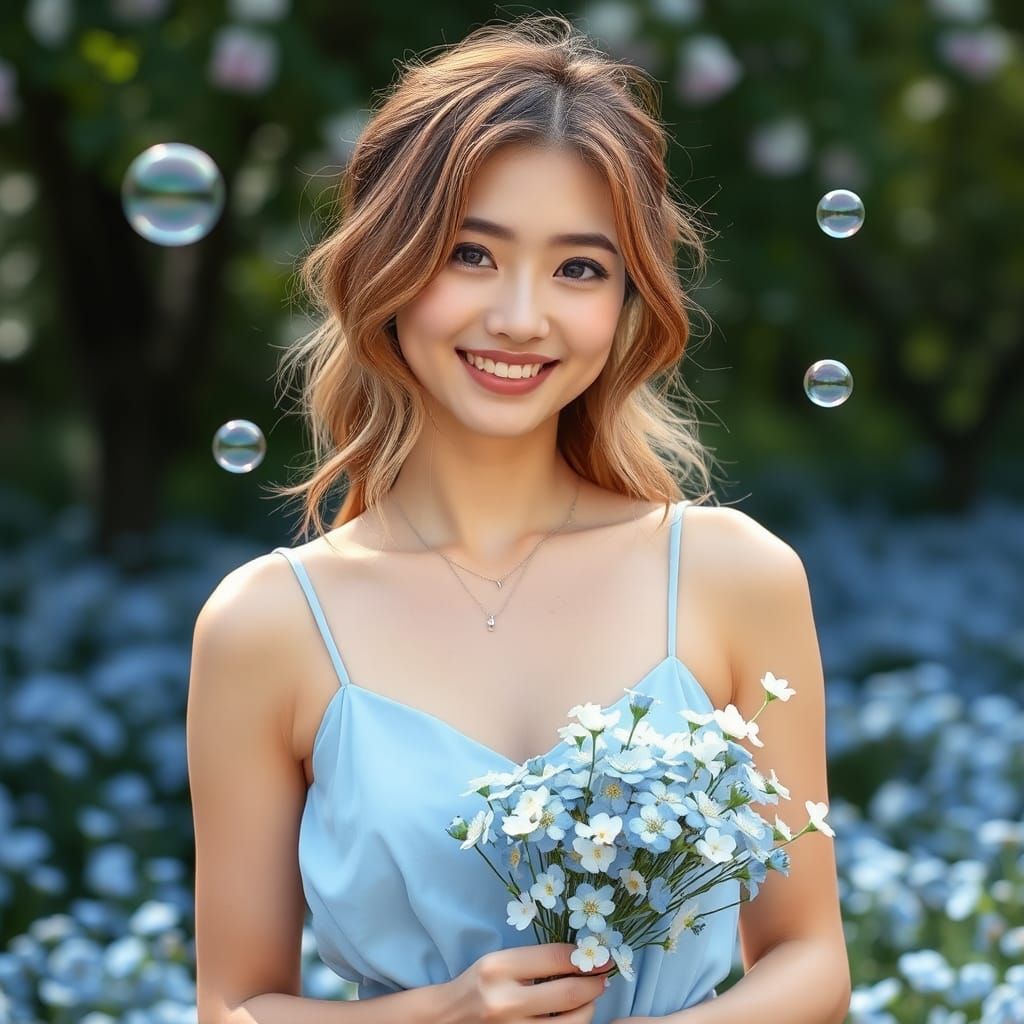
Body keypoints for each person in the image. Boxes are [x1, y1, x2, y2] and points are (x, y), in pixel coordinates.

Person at [186, 13, 850, 1024]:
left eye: (579, 268)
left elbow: (811, 959)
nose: (521, 317)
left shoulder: (730, 574)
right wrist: (442, 1014)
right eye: (471, 254)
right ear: (389, 265)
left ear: (629, 299)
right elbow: (233, 1006)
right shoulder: (265, 626)